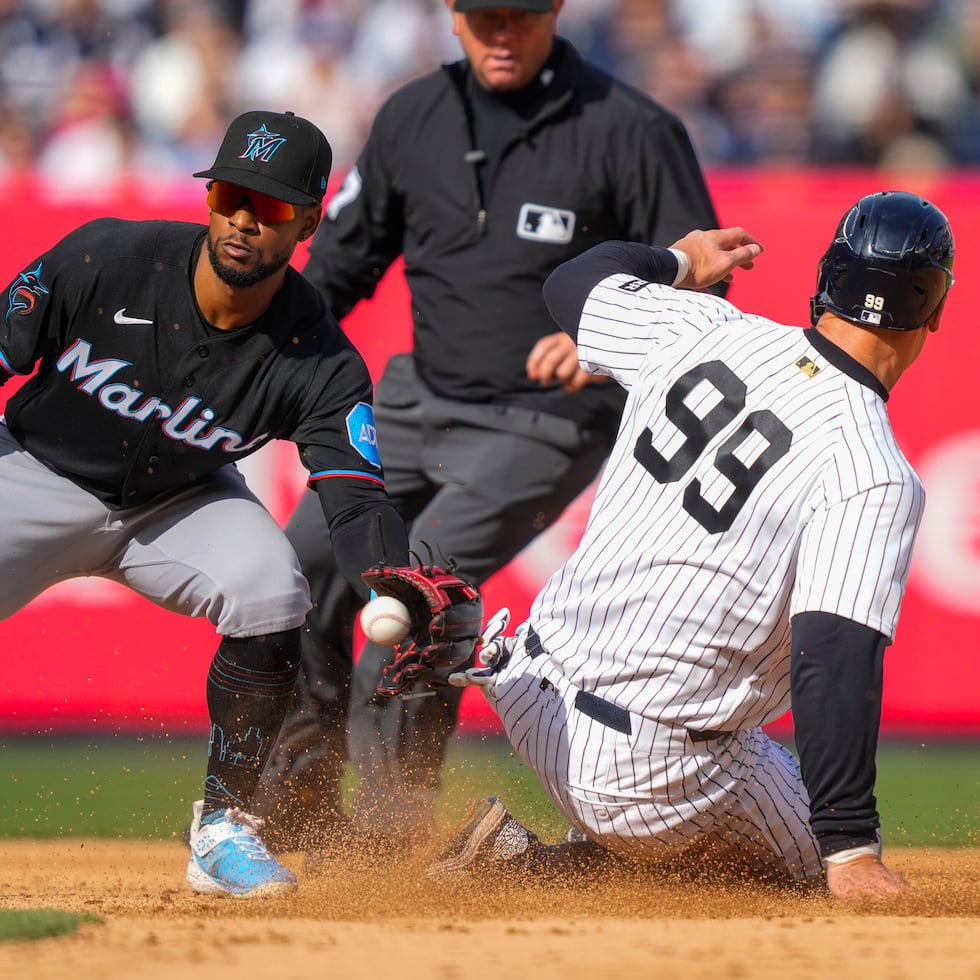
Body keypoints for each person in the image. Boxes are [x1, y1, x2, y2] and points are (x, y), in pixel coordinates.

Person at [251, 0, 725, 852]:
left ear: (554, 11)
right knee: (297, 571)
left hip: (545, 421)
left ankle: (387, 847)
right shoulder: (412, 116)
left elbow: (704, 274)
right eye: (484, 16)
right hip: (414, 402)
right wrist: (256, 353)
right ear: (454, 15)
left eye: (520, 14)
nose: (501, 33)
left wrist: (611, 340)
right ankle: (296, 808)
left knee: (415, 594)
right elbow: (339, 265)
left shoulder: (630, 128)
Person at [428, 189, 954, 903]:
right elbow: (830, 660)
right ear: (934, 310)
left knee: (727, 777)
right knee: (797, 877)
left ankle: (553, 852)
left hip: (525, 689)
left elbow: (571, 283)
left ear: (828, 277)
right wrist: (850, 846)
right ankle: (529, 870)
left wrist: (682, 258)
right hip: (645, 774)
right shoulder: (874, 470)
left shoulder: (704, 327)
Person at [0, 109, 427, 898]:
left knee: (272, 587)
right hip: (35, 469)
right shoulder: (108, 258)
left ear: (305, 221)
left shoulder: (319, 359)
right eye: (231, 193)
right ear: (209, 198)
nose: (243, 218)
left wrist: (391, 579)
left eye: (267, 206)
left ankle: (225, 827)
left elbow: (357, 498)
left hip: (177, 501)